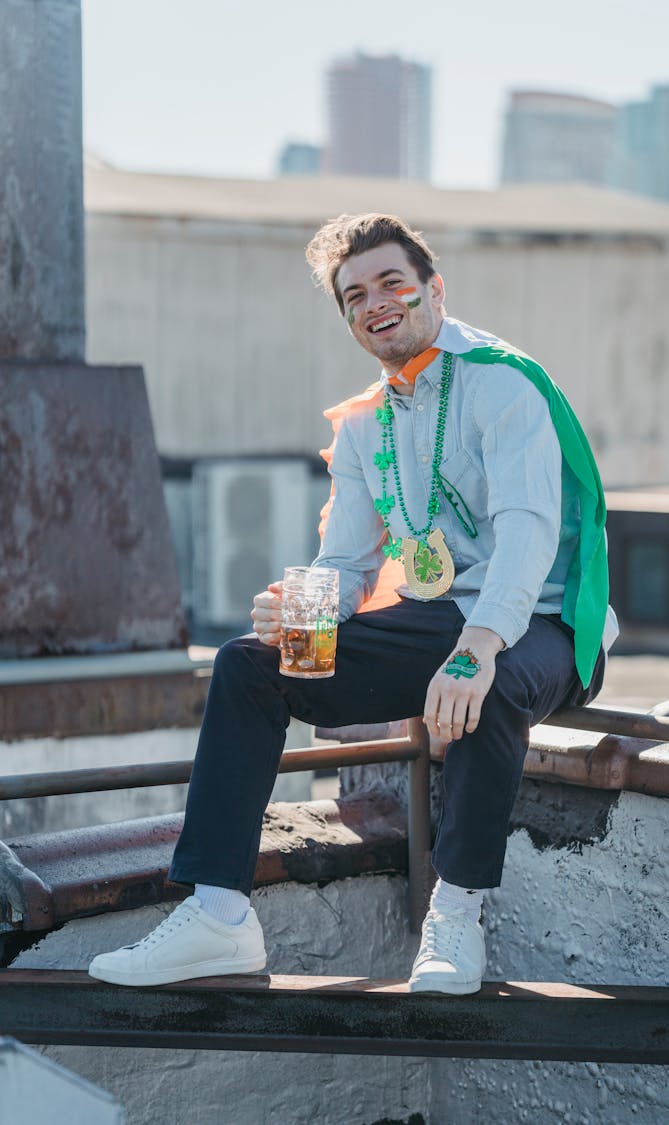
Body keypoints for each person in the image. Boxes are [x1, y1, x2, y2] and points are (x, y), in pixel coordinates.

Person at [89, 213, 617, 994]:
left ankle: (457, 913)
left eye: (392, 283)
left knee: (492, 684)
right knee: (250, 664)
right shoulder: (366, 423)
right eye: (354, 295)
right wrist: (293, 604)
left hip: (547, 620)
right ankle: (218, 915)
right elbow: (347, 564)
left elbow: (527, 539)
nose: (376, 303)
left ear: (433, 289)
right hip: (443, 618)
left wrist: (476, 649)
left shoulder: (504, 384)